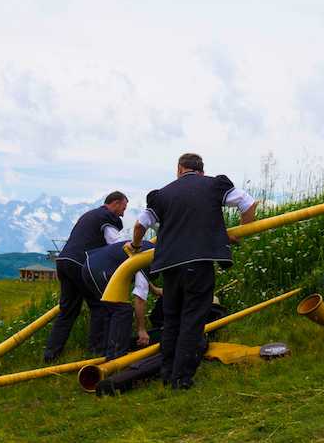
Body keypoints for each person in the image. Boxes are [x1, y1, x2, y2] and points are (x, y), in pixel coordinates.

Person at [129, 153, 257, 389]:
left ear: (179, 169)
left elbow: (139, 225)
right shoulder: (214, 185)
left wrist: (136, 248)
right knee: (193, 320)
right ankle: (182, 379)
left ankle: (168, 375)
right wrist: (239, 233)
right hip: (200, 263)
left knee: (172, 321)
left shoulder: (162, 194)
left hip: (169, 266)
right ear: (201, 169)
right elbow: (248, 204)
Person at [44, 191, 128, 361]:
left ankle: (51, 354)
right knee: (99, 305)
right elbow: (115, 242)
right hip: (80, 264)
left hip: (64, 261)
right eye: (123, 208)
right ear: (116, 203)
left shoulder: (89, 215)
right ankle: (96, 351)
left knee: (67, 311)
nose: (123, 213)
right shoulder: (107, 217)